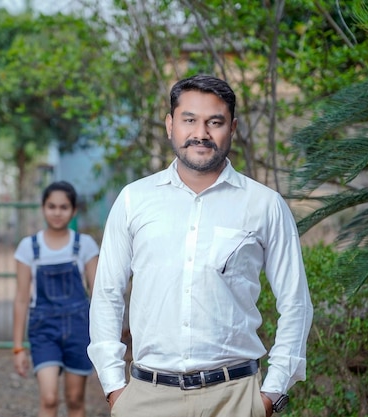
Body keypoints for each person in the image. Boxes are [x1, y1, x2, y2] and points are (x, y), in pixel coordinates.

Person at [88, 74, 313, 417]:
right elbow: (107, 294)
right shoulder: (134, 199)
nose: (201, 133)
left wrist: (271, 393)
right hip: (147, 398)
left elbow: (295, 301)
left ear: (232, 127)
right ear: (170, 125)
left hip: (235, 398)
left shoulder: (264, 205)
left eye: (215, 122)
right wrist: (114, 388)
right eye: (189, 120)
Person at [13, 181, 100, 417]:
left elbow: (99, 294)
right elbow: (21, 299)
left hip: (79, 330)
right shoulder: (28, 247)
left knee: (74, 400)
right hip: (44, 331)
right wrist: (18, 347)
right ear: (43, 208)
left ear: (73, 210)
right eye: (51, 206)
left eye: (64, 207)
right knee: (49, 399)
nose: (57, 212)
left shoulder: (85, 245)